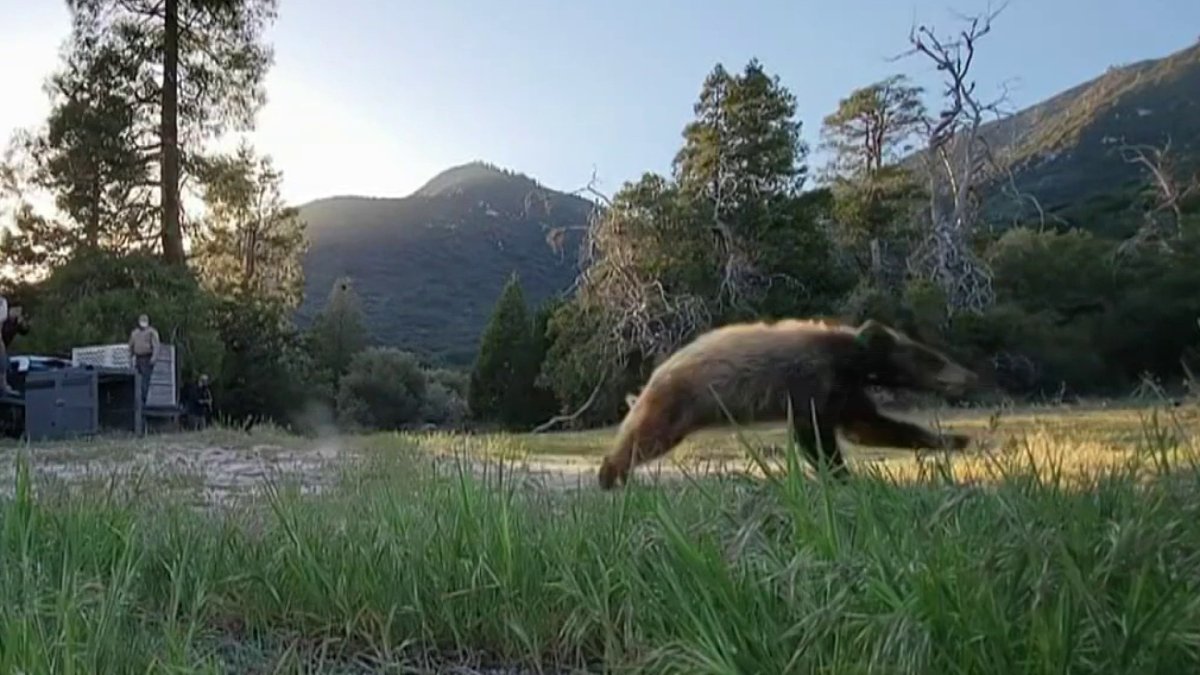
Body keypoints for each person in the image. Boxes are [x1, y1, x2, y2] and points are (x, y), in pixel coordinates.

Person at [128, 313, 160, 406]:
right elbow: (130, 346)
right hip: (138, 358)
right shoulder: (135, 333)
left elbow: (156, 346)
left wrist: (153, 358)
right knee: (136, 381)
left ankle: (142, 401)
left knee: (145, 382)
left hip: (147, 358)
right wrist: (130, 359)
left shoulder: (152, 332)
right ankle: (135, 401)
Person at [0, 299, 27, 398]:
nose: (17, 313)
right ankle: (4, 387)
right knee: (3, 364)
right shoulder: (5, 320)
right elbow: (5, 332)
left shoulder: (16, 321)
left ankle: (4, 386)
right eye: (16, 311)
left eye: (19, 311)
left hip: (3, 346)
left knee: (4, 365)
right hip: (2, 344)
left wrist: (22, 323)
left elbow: (25, 331)